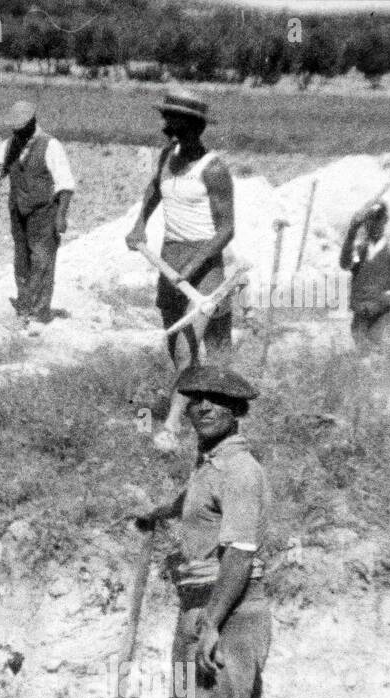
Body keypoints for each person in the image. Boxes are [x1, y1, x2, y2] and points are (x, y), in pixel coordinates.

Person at [132, 366, 270, 698]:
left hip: (228, 609)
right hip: (199, 604)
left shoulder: (240, 469)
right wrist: (160, 512)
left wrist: (211, 624)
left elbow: (241, 552)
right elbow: (198, 503)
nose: (204, 407)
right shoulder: (209, 461)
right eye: (196, 400)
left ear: (238, 410)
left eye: (217, 400)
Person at [126, 91, 236, 450]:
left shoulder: (214, 169)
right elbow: (153, 189)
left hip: (204, 264)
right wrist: (141, 223)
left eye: (173, 121)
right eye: (166, 119)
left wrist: (193, 265)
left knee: (192, 345)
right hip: (169, 257)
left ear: (193, 126)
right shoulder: (166, 157)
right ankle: (208, 406)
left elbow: (226, 229)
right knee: (178, 347)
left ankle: (172, 427)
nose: (166, 127)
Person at [0, 100, 76, 324]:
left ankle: (40, 312)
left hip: (44, 212)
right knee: (21, 259)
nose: (17, 131)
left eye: (21, 127)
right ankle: (24, 305)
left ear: (31, 123)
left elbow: (65, 184)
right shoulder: (11, 145)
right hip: (18, 210)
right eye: (15, 128)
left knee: (42, 259)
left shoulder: (51, 145)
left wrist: (61, 216)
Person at [339, 179, 390, 354]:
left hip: (385, 314)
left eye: (378, 220)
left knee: (377, 348)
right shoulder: (361, 249)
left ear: (385, 220)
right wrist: (352, 231)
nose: (373, 224)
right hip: (362, 315)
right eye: (369, 220)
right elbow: (345, 264)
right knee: (363, 353)